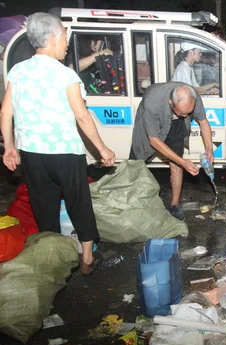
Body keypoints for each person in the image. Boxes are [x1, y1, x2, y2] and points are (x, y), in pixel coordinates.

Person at [1, 12, 116, 275]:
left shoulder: (17, 71)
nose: (66, 42)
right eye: (64, 36)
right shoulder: (66, 75)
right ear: (52, 38)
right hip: (65, 153)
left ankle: (51, 260)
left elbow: (6, 112)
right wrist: (102, 149)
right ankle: (87, 258)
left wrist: (10, 146)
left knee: (44, 208)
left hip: (32, 154)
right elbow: (82, 116)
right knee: (79, 203)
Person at [129, 83, 213, 221]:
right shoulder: (152, 102)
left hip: (175, 126)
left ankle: (175, 205)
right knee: (136, 162)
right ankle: (132, 201)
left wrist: (209, 148)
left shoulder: (192, 97)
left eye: (188, 113)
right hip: (152, 124)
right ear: (170, 102)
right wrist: (184, 162)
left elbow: (203, 121)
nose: (185, 115)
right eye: (181, 112)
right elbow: (154, 141)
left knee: (176, 165)